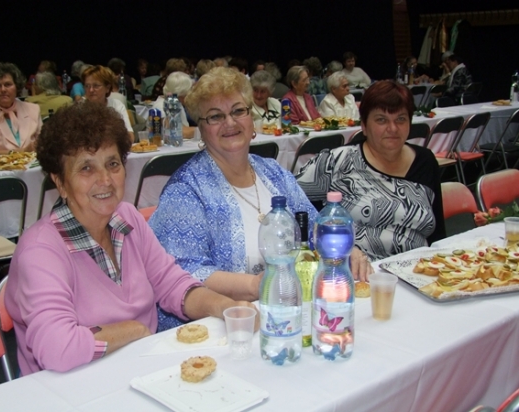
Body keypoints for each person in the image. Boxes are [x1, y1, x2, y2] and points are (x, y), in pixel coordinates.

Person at [4, 102, 258, 375]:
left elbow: (172, 284)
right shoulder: (41, 251)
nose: (105, 179)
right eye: (86, 168)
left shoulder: (127, 218)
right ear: (60, 182)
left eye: (112, 164)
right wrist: (134, 330)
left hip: (138, 369)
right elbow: (58, 349)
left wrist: (225, 307)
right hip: (71, 384)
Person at [149, 67, 372, 330]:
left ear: (251, 118)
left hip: (288, 312)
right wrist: (259, 285)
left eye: (238, 111)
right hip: (222, 325)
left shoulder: (272, 172)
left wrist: (348, 250)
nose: (230, 122)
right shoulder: (186, 189)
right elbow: (185, 272)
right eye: (216, 116)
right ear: (201, 128)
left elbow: (314, 227)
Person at [297, 80, 445, 261]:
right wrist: (329, 241)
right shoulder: (337, 162)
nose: (393, 128)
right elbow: (286, 198)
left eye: (400, 119)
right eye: (381, 120)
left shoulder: (425, 161)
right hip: (355, 271)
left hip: (416, 269)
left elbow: (438, 235)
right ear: (364, 126)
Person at [0, 62, 42, 155]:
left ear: (17, 86)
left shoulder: (33, 109)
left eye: (8, 84)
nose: (3, 89)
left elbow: (43, 144)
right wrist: (23, 151)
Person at [81, 65, 134, 143]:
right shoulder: (79, 109)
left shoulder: (117, 105)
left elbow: (130, 137)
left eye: (96, 86)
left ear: (107, 88)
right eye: (87, 86)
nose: (91, 90)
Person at [151, 71, 197, 136]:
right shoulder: (160, 107)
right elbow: (177, 131)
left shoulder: (176, 103)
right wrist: (203, 130)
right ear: (181, 93)